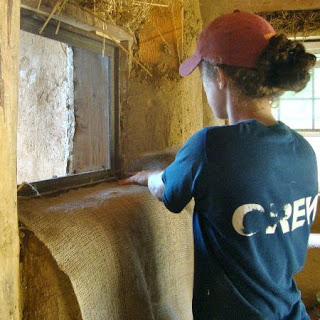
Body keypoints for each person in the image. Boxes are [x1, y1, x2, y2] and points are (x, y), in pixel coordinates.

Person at [120, 11, 319, 320]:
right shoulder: (304, 152)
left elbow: (166, 190)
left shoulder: (210, 146)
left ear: (221, 77)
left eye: (202, 75)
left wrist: (149, 176)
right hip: (291, 312)